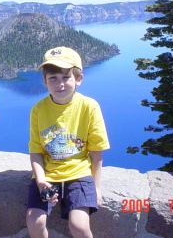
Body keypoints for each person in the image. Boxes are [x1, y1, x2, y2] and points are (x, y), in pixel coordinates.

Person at [26, 46, 110, 238]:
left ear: (78, 79)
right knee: (34, 221)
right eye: (53, 78)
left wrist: (96, 187)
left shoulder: (89, 107)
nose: (60, 84)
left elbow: (96, 152)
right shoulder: (38, 110)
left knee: (79, 226)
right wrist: (40, 180)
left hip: (79, 173)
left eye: (66, 77)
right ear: (45, 81)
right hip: (47, 175)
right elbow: (36, 150)